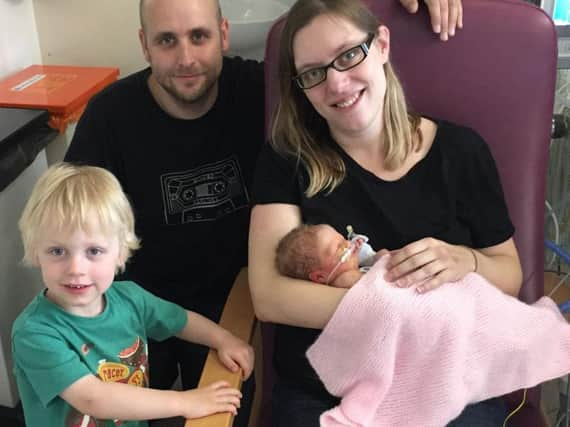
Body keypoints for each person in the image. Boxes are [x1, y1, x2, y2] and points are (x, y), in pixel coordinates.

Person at [63, 0, 464, 423]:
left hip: (236, 311)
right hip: (135, 309)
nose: (185, 59)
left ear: (223, 33)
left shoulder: (264, 93)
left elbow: (327, 41)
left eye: (199, 36)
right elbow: (68, 224)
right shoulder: (110, 117)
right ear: (145, 45)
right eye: (167, 41)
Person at [248, 0, 522, 426]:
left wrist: (466, 261)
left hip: (446, 388)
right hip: (325, 397)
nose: (337, 84)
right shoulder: (289, 159)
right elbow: (269, 297)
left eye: (348, 54)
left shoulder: (461, 153)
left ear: (382, 45)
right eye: (314, 73)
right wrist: (389, 305)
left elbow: (509, 274)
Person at [12, 163, 254, 427]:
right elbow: (92, 398)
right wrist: (186, 402)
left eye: (93, 251)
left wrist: (223, 339)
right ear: (36, 252)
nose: (76, 269)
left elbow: (180, 320)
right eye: (58, 251)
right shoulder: (34, 332)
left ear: (120, 253)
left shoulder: (130, 298)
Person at [276, 223, 377, 288]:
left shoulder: (354, 264)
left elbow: (370, 257)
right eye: (340, 247)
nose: (347, 243)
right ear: (320, 277)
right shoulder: (345, 281)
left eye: (343, 239)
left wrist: (378, 257)